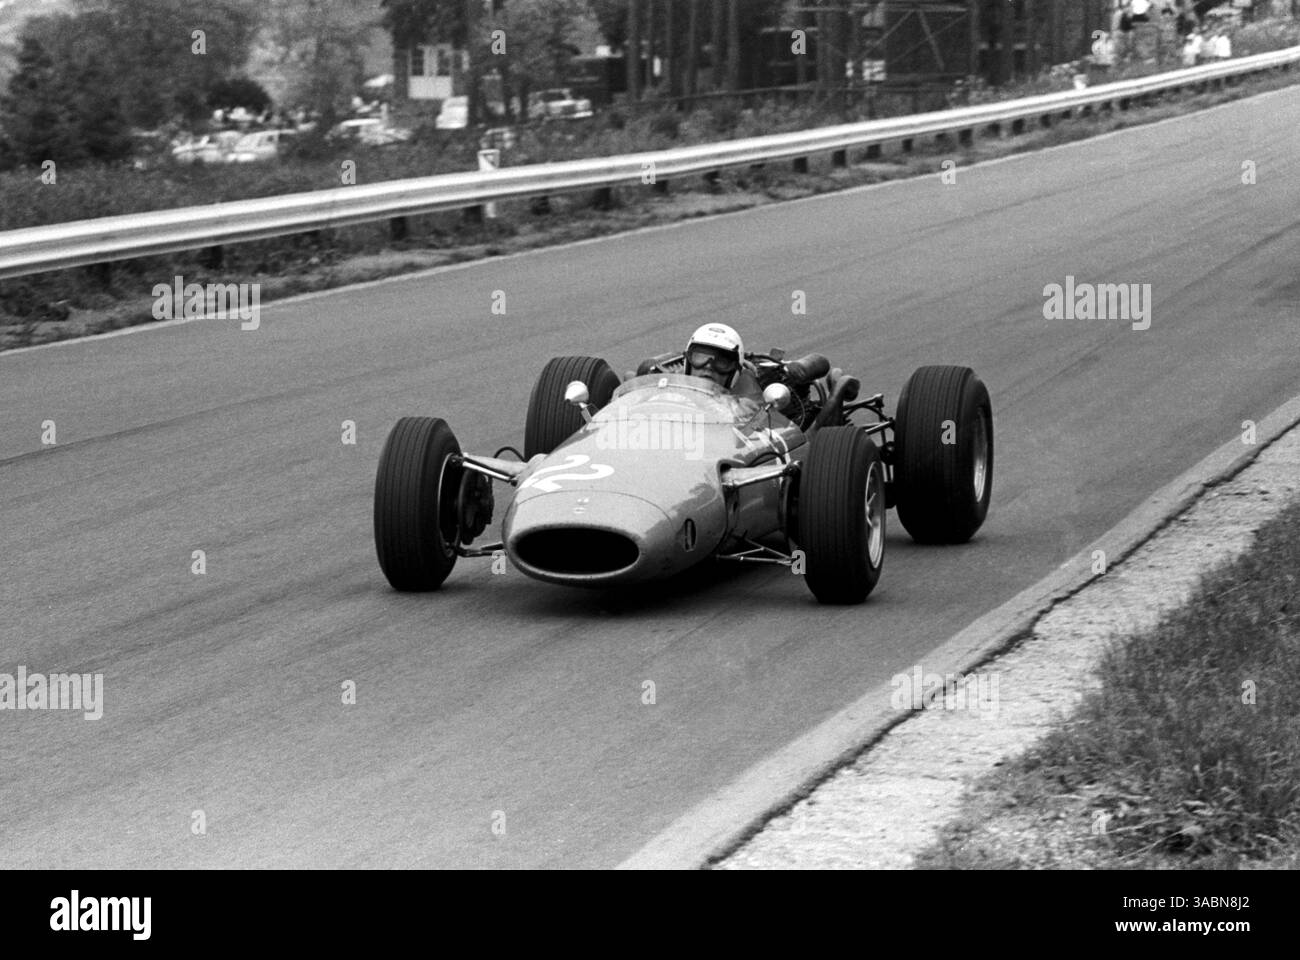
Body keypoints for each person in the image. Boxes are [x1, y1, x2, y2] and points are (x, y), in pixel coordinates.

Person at [683, 323, 763, 400]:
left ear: (734, 372)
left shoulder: (746, 405)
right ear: (688, 363)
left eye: (721, 362)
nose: (708, 366)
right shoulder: (671, 381)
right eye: (700, 357)